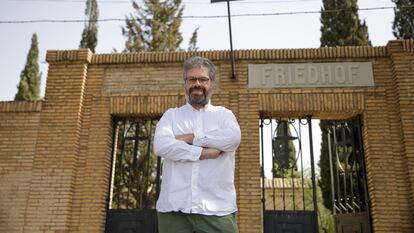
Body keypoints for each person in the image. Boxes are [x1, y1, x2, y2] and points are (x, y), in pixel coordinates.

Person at [153, 56, 241, 233]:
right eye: (192, 79)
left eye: (203, 79)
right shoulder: (171, 116)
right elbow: (161, 146)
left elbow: (233, 139)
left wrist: (192, 138)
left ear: (211, 83)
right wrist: (204, 153)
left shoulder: (224, 116)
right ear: (185, 83)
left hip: (218, 210)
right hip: (174, 210)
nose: (197, 84)